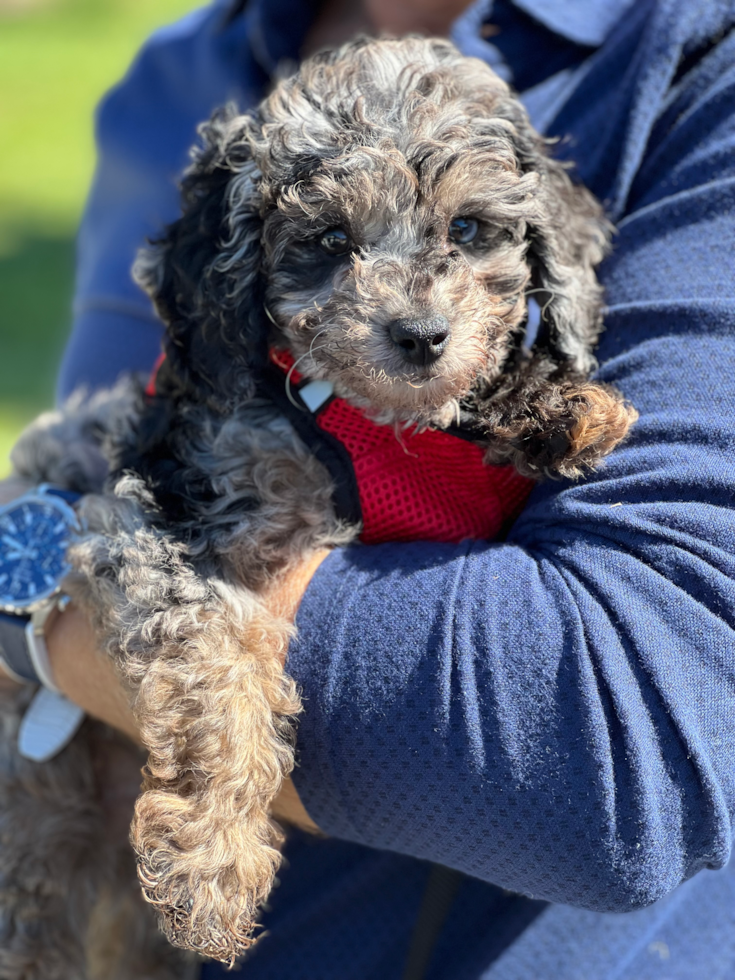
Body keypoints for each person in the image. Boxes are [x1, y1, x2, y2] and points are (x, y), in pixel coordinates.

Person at [3, 0, 735, 976]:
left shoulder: (699, 56)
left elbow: (618, 758)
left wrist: (40, 604)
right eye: (334, 245)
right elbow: (115, 477)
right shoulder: (174, 77)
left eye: (467, 229)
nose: (417, 308)